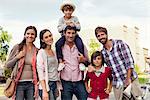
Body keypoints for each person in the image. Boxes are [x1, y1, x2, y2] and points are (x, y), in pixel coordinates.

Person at [94, 26, 143, 100]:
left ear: (106, 35)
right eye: (98, 36)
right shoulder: (103, 53)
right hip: (117, 83)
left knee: (138, 98)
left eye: (102, 34)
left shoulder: (120, 44)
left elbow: (129, 62)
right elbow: (101, 68)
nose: (101, 37)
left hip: (130, 79)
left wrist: (128, 79)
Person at [5, 26, 39, 100]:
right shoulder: (18, 47)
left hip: (31, 84)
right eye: (28, 33)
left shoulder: (37, 51)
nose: (30, 36)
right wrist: (17, 57)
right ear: (24, 35)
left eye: (32, 34)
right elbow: (7, 65)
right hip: (18, 83)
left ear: (35, 37)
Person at [57, 25, 88, 100]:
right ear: (64, 33)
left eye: (73, 33)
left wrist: (83, 60)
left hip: (79, 82)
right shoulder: (60, 47)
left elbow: (88, 62)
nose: (70, 35)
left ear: (76, 34)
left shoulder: (81, 46)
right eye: (68, 33)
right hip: (65, 83)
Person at [56, 0, 86, 71]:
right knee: (58, 44)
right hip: (64, 36)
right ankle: (61, 61)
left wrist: (74, 24)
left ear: (72, 11)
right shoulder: (61, 20)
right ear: (63, 11)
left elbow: (79, 28)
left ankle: (81, 62)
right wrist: (66, 25)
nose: (68, 12)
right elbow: (59, 29)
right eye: (66, 10)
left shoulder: (75, 18)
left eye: (70, 10)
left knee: (80, 43)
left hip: (75, 36)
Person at [37, 29, 60, 100]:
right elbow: (40, 72)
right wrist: (44, 90)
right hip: (47, 85)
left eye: (50, 35)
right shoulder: (41, 52)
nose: (49, 38)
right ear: (42, 40)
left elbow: (55, 69)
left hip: (54, 84)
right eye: (46, 37)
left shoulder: (54, 52)